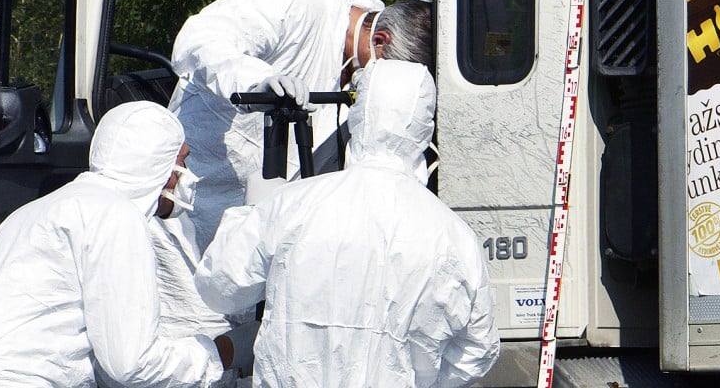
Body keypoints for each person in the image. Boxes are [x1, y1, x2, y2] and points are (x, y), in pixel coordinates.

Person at [194, 60, 500, 387]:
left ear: (358, 113)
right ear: (425, 125)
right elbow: (478, 348)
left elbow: (219, 287)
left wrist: (251, 211)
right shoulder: (454, 236)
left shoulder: (293, 204)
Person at [0, 101, 243, 388]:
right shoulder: (115, 215)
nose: (185, 176)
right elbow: (132, 363)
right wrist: (223, 353)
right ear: (158, 164)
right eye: (181, 162)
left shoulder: (45, 209)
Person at [167, 0, 432, 253]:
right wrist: (253, 81)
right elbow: (201, 38)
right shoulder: (295, 9)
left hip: (257, 233)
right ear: (380, 40)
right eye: (386, 74)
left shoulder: (352, 72)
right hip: (186, 209)